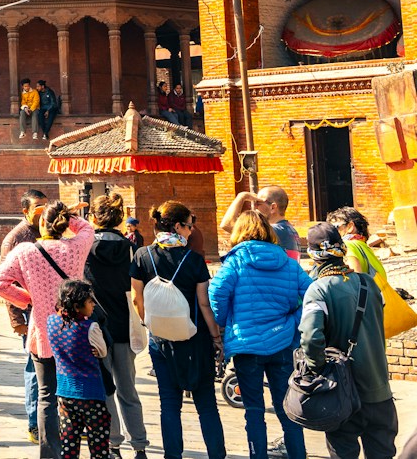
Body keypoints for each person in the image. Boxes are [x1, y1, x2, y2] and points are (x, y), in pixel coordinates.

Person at [0, 200, 96, 458]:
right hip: (75, 334)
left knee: (47, 396)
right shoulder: (76, 247)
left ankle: (49, 453)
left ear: (41, 224)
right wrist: (70, 214)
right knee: (76, 396)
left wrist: (28, 299)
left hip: (43, 335)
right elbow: (87, 229)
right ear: (61, 224)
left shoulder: (25, 251)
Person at [207, 210, 310, 459]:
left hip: (246, 345)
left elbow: (217, 293)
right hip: (282, 343)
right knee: (287, 408)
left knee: (253, 410)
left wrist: (225, 322)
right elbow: (312, 295)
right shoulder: (286, 261)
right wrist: (292, 321)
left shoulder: (235, 261)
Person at [130, 201, 224, 459]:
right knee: (206, 405)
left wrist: (150, 323)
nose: (191, 231)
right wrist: (216, 337)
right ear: (177, 225)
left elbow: (137, 298)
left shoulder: (142, 255)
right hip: (195, 338)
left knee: (169, 404)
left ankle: (173, 455)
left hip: (161, 340)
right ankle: (217, 454)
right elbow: (204, 303)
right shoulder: (193, 260)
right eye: (189, 226)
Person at [300, 222, 396, 459]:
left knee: (343, 452)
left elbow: (311, 338)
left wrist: (318, 370)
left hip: (342, 392)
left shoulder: (318, 290)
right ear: (342, 248)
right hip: (379, 390)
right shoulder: (369, 283)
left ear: (312, 255)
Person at [84, 192, 147, 459]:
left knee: (105, 390)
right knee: (128, 390)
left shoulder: (84, 248)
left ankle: (113, 444)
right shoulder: (132, 248)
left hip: (96, 329)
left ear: (95, 218)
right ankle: (140, 446)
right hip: (125, 326)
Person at [2, 189, 50, 446]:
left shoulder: (49, 230)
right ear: (26, 211)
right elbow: (5, 282)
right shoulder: (16, 239)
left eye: (46, 205)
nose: (43, 211)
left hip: (52, 313)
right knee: (34, 370)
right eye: (38, 207)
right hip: (30, 315)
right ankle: (34, 423)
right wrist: (16, 318)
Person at [47, 279, 110, 459]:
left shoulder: (51, 322)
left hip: (65, 393)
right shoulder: (90, 327)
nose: (93, 305)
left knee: (69, 443)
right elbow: (102, 351)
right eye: (90, 302)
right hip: (91, 393)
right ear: (77, 306)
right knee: (98, 444)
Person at [219, 186, 299, 259]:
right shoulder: (287, 229)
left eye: (258, 203)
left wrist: (242, 197)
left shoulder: (274, 230)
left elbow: (227, 224)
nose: (254, 207)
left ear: (273, 207)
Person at [329, 206, 388, 280]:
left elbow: (355, 281)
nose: (331, 232)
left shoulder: (347, 246)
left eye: (335, 227)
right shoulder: (362, 245)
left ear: (350, 226)